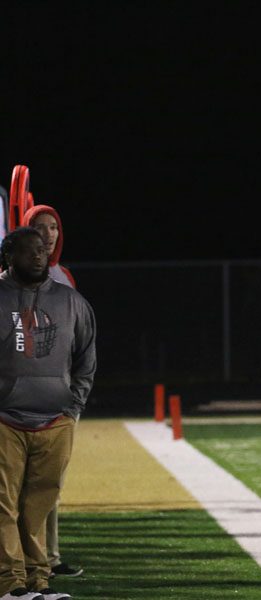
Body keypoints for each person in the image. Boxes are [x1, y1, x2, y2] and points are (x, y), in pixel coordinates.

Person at [0, 226, 96, 600]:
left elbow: (86, 357)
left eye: (42, 249)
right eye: (29, 250)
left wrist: (73, 408)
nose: (39, 255)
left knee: (38, 505)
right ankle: (10, 584)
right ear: (9, 256)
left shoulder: (70, 301)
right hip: (5, 420)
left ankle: (38, 581)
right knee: (3, 505)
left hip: (55, 421)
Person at [22, 205, 81, 579]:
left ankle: (49, 557)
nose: (49, 234)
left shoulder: (65, 276)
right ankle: (17, 562)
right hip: (18, 393)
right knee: (14, 483)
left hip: (57, 390)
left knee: (50, 480)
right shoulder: (9, 278)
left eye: (54, 226)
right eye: (40, 227)